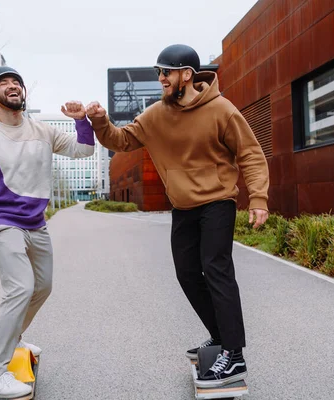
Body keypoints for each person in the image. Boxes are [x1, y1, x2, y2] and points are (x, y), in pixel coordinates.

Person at [85, 44, 269, 387]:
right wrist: (99, 121)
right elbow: (122, 140)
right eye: (159, 73)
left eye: (165, 72)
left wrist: (258, 198)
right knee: (186, 273)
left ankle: (235, 357)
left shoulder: (222, 111)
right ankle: (220, 336)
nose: (160, 79)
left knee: (216, 270)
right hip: (183, 208)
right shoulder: (156, 114)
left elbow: (251, 155)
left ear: (186, 74)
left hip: (218, 202)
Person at [0, 66, 95, 398]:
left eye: (16, 82)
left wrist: (81, 121)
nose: (12, 86)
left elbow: (84, 150)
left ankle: (12, 337)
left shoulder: (42, 132)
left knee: (42, 287)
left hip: (36, 222)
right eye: (3, 84)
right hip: (2, 221)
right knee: (20, 287)